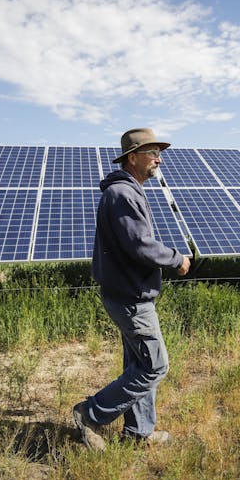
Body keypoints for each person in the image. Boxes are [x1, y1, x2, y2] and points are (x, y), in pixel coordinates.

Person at [73, 128, 191, 451]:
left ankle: (139, 432)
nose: (159, 158)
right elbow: (141, 246)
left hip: (128, 294)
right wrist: (177, 259)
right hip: (131, 299)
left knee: (139, 365)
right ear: (133, 157)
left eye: (159, 152)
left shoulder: (128, 191)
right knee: (155, 365)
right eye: (152, 152)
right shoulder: (123, 195)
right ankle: (90, 414)